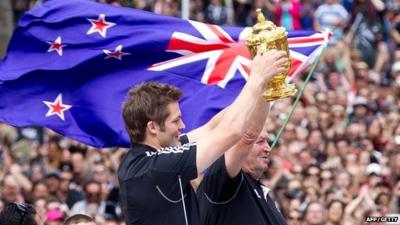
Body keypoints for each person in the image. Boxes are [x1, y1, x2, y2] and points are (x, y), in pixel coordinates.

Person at [118, 49, 288, 225]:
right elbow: (231, 131)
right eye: (175, 121)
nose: (182, 126)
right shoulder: (155, 167)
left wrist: (263, 87)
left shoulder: (150, 158)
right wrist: (257, 79)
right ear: (152, 127)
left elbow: (212, 127)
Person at [196, 127, 287, 225]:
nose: (268, 148)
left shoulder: (261, 190)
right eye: (260, 142)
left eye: (267, 142)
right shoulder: (225, 182)